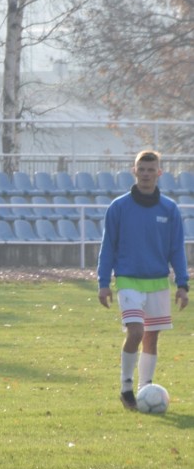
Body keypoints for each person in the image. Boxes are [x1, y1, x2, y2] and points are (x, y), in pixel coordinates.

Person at [97, 149, 189, 410]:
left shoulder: (169, 209)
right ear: (134, 170)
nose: (146, 174)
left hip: (158, 281)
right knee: (136, 331)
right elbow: (108, 247)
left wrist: (182, 285)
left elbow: (176, 250)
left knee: (152, 337)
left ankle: (145, 389)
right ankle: (126, 388)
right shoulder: (119, 207)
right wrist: (103, 282)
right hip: (128, 279)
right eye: (142, 169)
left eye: (152, 169)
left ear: (159, 173)